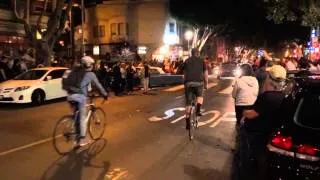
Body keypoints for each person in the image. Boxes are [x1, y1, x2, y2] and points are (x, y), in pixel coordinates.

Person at [239, 65, 287, 180]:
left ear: (269, 79)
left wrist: (244, 112)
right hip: (269, 132)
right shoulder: (283, 96)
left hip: (257, 133)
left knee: (247, 155)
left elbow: (252, 114)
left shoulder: (268, 97)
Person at [62, 56, 108, 147]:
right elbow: (98, 85)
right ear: (89, 64)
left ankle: (76, 141)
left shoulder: (75, 71)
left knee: (76, 118)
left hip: (70, 95)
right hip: (80, 97)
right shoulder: (90, 74)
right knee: (82, 118)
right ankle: (82, 140)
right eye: (92, 64)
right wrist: (105, 94)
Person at [183, 48, 208, 130]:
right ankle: (198, 110)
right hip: (199, 83)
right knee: (200, 96)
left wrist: (185, 83)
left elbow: (184, 73)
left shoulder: (186, 61)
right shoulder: (202, 61)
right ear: (198, 53)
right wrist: (206, 84)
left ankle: (187, 122)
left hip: (188, 84)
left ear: (191, 53)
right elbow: (205, 73)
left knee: (188, 104)